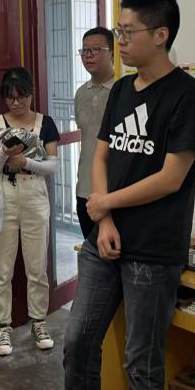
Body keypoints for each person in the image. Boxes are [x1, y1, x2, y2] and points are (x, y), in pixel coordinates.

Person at [63, 0, 195, 390]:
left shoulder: (188, 96)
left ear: (161, 35)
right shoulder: (123, 90)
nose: (120, 41)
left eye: (128, 32)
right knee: (77, 344)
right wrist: (105, 219)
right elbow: (101, 157)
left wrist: (106, 204)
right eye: (119, 31)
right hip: (104, 240)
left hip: (153, 250)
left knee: (142, 363)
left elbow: (170, 178)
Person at [0, 67, 60, 356]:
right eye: (10, 97)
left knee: (37, 266)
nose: (16, 103)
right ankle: (3, 327)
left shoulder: (45, 123)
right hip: (2, 196)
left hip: (34, 194)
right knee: (1, 267)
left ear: (31, 94)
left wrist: (25, 162)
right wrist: (4, 153)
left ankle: (39, 322)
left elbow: (53, 165)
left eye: (21, 96)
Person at [74, 27, 115, 239]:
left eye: (96, 50)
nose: (88, 55)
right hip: (85, 190)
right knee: (91, 252)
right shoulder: (81, 94)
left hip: (115, 192)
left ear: (112, 53)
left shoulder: (123, 91)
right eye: (85, 50)